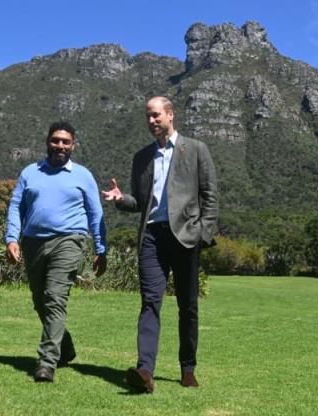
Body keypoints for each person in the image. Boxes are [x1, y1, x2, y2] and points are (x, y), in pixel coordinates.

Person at [102, 96, 218, 393]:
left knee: (187, 306)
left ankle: (188, 368)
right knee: (150, 303)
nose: (151, 121)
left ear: (170, 115)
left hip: (185, 237)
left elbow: (210, 195)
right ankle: (145, 371)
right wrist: (121, 199)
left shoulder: (195, 150)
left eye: (155, 116)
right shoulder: (141, 157)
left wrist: (203, 233)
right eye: (147, 117)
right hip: (151, 236)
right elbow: (140, 203)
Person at [6, 121, 108, 383]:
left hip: (69, 241)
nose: (60, 146)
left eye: (65, 141)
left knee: (55, 297)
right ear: (47, 142)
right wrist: (11, 238)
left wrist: (100, 247)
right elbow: (16, 206)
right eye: (55, 140)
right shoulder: (30, 172)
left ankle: (46, 362)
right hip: (33, 242)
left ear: (73, 145)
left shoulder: (83, 175)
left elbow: (96, 214)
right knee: (40, 300)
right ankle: (66, 347)